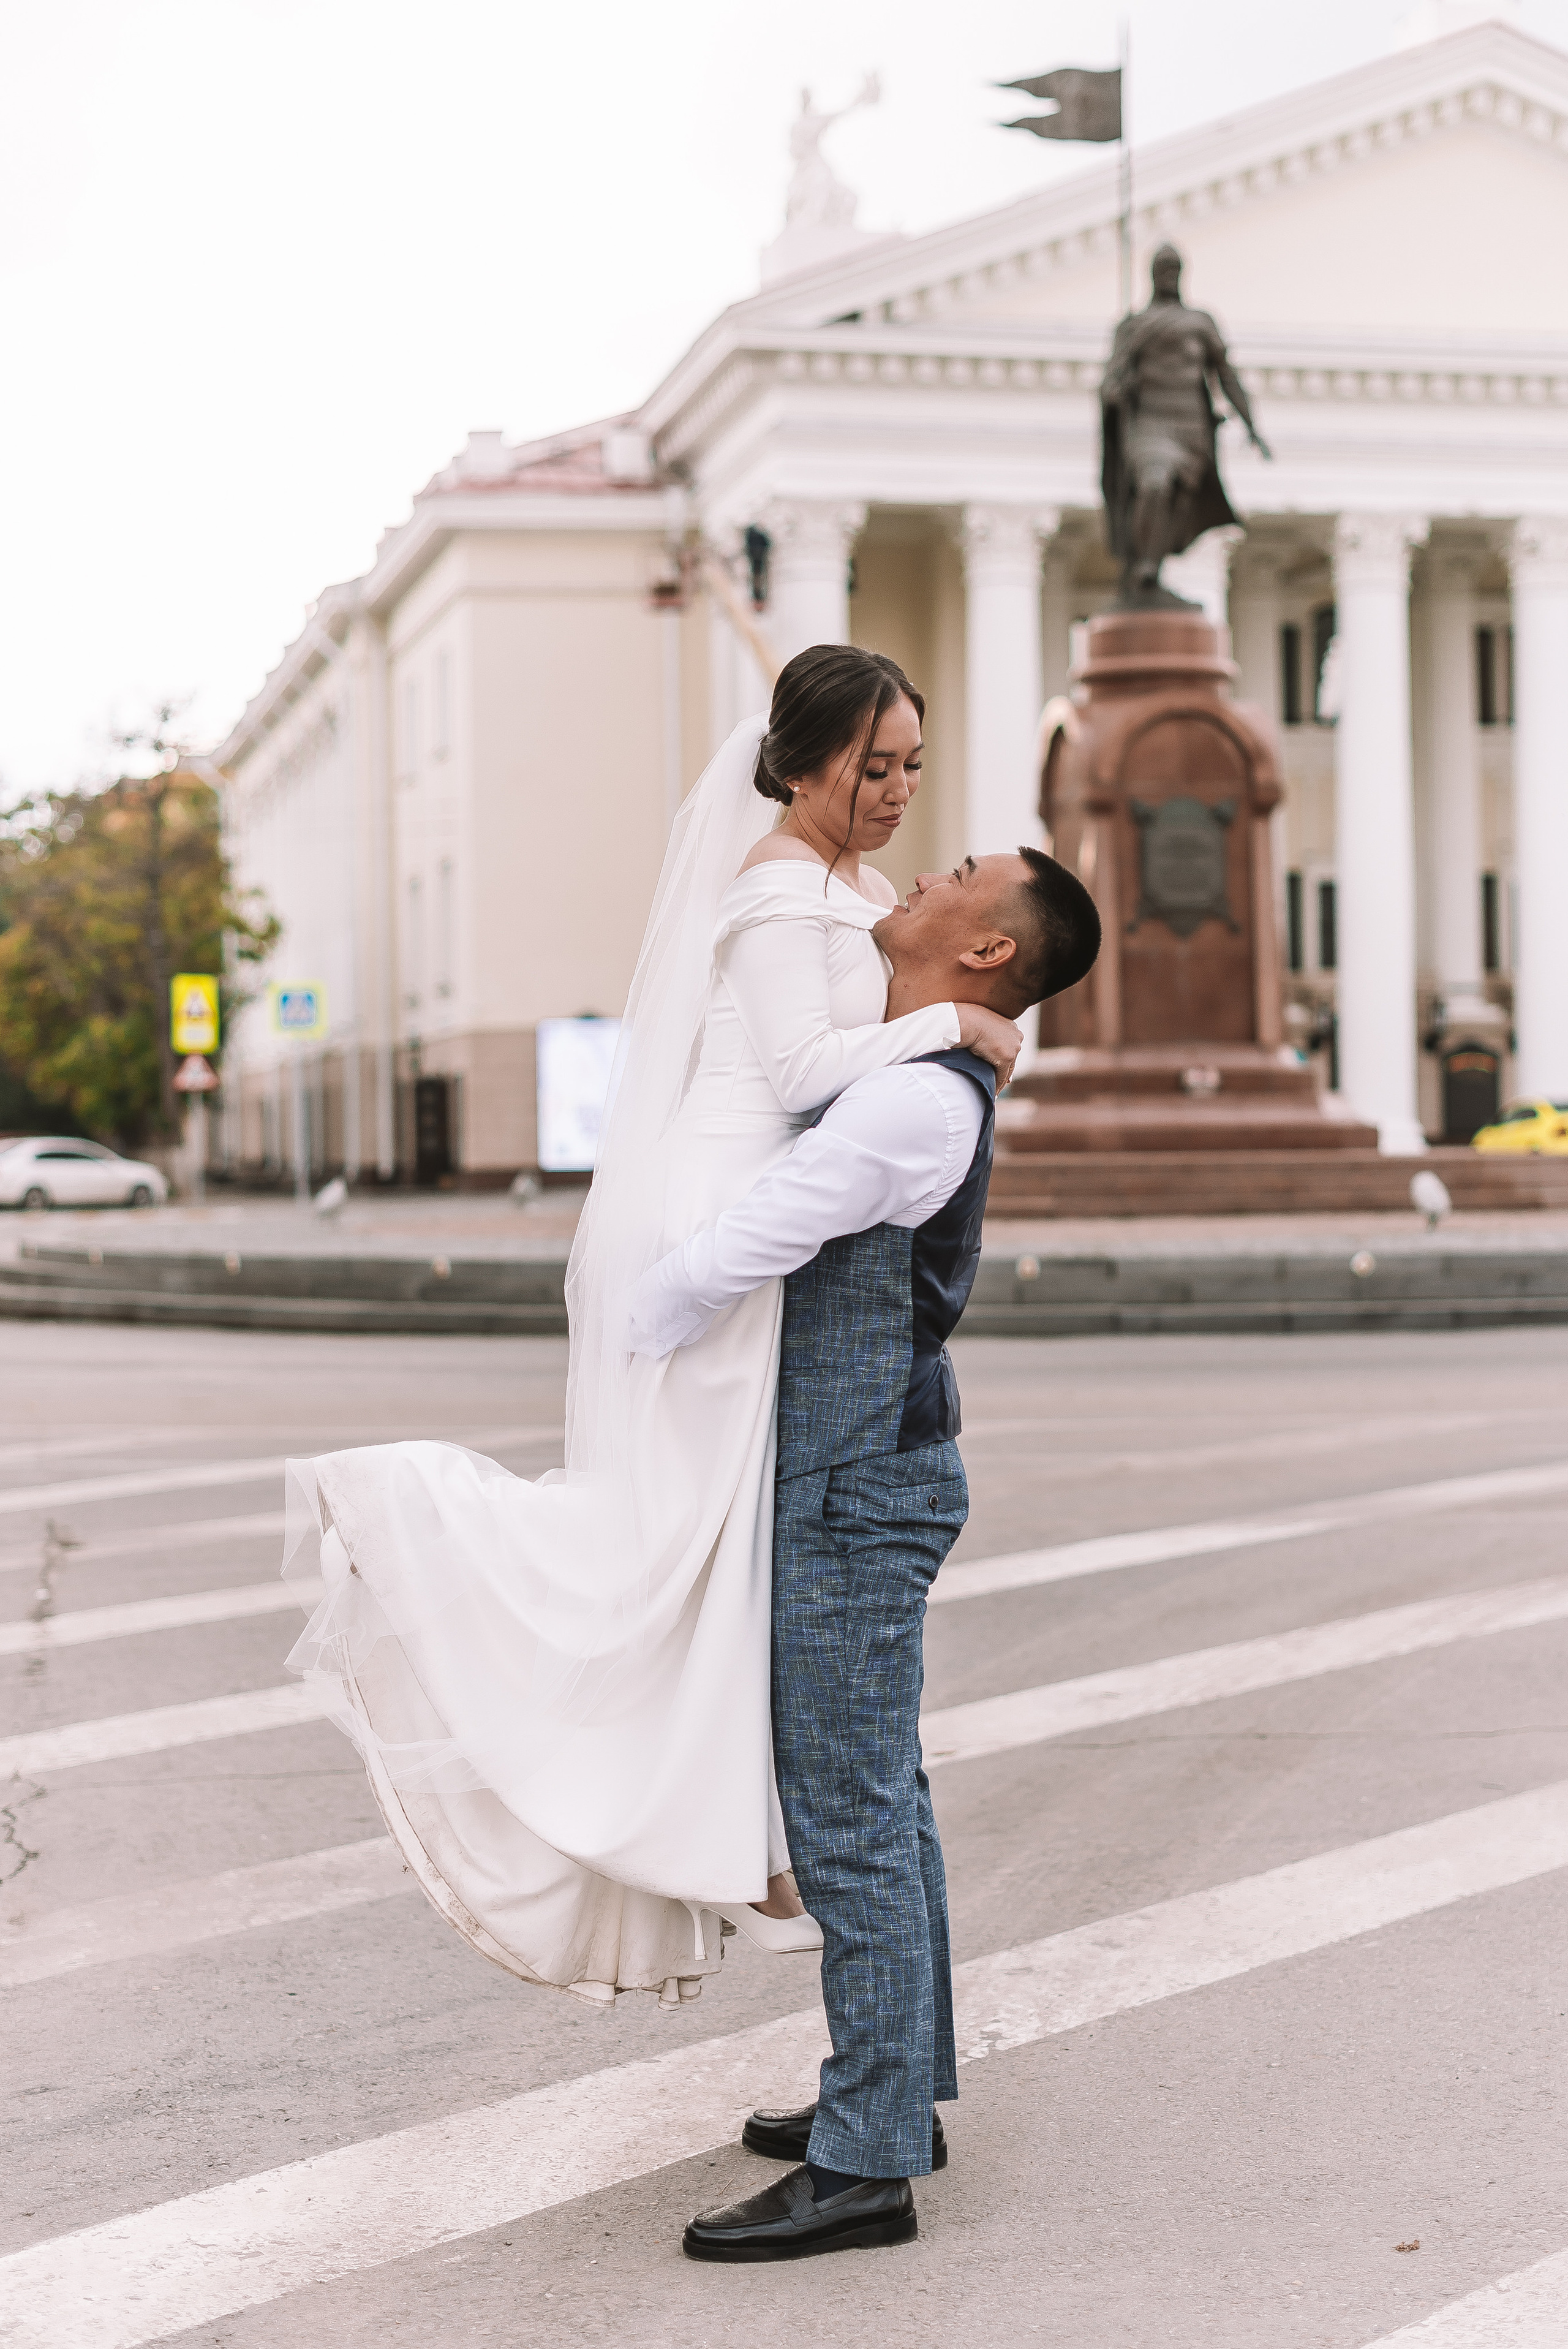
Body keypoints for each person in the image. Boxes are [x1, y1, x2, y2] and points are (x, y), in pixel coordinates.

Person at [281, 646, 1022, 2009]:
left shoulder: (855, 893)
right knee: (688, 1530)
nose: (897, 791)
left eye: (913, 763)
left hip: (771, 1212)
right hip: (723, 1211)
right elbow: (800, 1071)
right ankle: (408, 1510)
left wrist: (945, 1026)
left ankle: (743, 1831)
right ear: (800, 764)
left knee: (731, 1544)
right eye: (873, 764)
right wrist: (958, 1026)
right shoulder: (774, 886)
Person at [628, 846, 1102, 2260]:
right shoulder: (909, 1068)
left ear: (983, 957)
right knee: (879, 1797)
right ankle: (895, 2089)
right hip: (865, 1474)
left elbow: (755, 1236)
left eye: (962, 873)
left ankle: (868, 2160)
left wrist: (627, 1321)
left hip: (855, 1487)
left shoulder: (905, 1103)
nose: (930, 861)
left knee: (848, 1819)